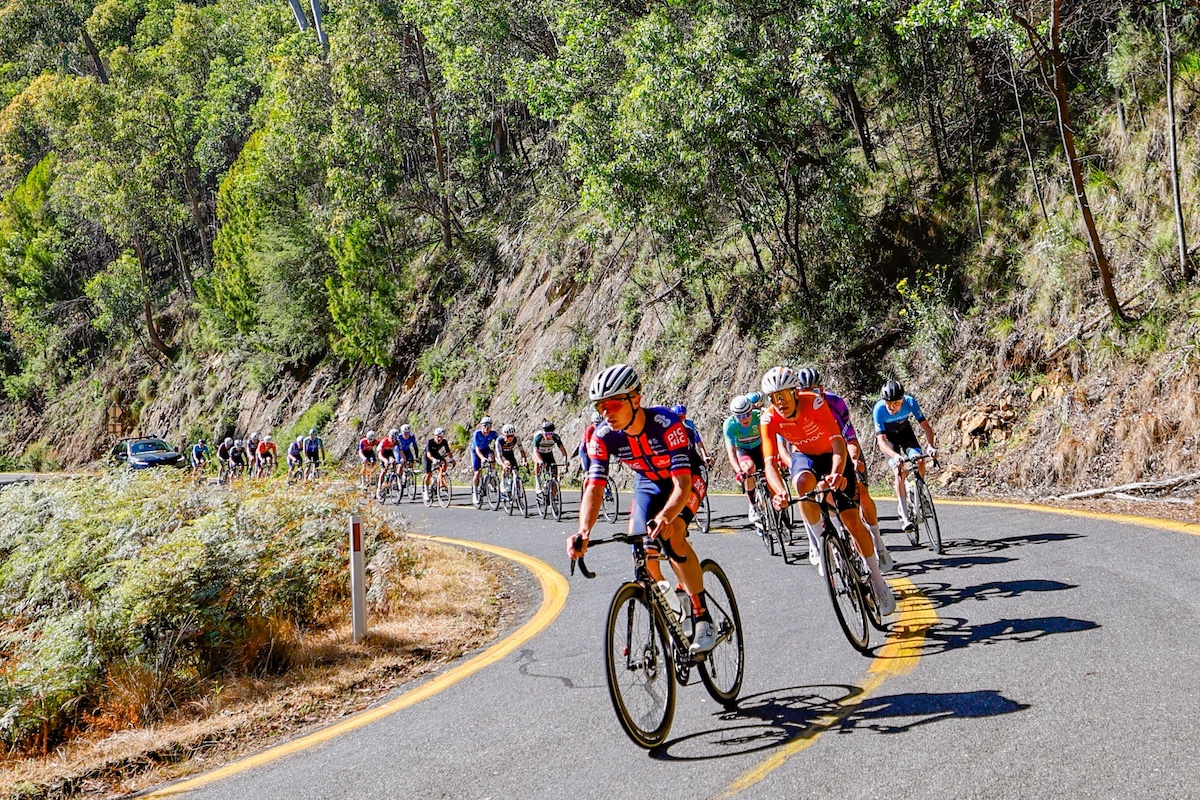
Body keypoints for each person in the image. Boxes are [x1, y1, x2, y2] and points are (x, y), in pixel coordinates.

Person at [569, 364, 716, 656]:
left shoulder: (666, 424)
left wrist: (666, 516)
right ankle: (673, 605)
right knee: (640, 546)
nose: (605, 413)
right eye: (600, 407)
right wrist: (583, 531)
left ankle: (702, 616)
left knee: (673, 534)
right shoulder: (602, 436)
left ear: (635, 398)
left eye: (611, 404)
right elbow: (595, 486)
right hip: (648, 482)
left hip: (686, 479)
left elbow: (682, 484)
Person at [759, 365, 896, 615]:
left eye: (785, 396)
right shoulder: (768, 418)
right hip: (805, 457)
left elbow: (837, 440)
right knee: (800, 485)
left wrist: (836, 472)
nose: (780, 403)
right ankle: (819, 540)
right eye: (775, 398)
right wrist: (778, 491)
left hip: (833, 456)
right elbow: (770, 463)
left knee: (852, 521)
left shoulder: (814, 402)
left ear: (795, 393)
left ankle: (878, 582)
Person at [796, 367, 891, 570]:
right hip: (817, 456)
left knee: (862, 494)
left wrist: (855, 458)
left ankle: (878, 541)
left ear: (821, 389)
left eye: (813, 390)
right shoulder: (794, 408)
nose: (808, 395)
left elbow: (849, 435)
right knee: (820, 492)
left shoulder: (834, 402)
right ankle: (833, 539)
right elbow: (788, 448)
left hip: (843, 450)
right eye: (803, 391)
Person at [873, 380, 938, 531]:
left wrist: (931, 446)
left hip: (905, 433)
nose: (891, 407)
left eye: (895, 403)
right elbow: (881, 442)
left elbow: (926, 427)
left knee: (920, 460)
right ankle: (904, 514)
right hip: (889, 440)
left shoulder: (910, 402)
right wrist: (894, 456)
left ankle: (920, 492)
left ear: (902, 399)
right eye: (888, 403)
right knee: (899, 470)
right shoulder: (878, 410)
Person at [723, 395, 763, 525]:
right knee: (748, 468)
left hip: (761, 447)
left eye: (747, 414)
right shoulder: (729, 425)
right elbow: (731, 453)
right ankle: (753, 505)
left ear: (752, 410)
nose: (744, 419)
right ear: (734, 416)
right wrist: (739, 471)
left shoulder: (760, 416)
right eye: (739, 416)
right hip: (744, 451)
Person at [532, 421, 570, 495]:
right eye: (547, 434)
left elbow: (563, 450)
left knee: (554, 474)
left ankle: (553, 496)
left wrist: (565, 460)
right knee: (537, 463)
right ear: (543, 432)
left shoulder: (555, 437)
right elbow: (535, 451)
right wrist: (540, 461)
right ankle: (538, 482)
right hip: (538, 454)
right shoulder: (538, 437)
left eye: (550, 434)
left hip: (548, 454)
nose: (548, 436)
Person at [471, 417, 499, 504]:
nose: (486, 428)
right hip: (476, 451)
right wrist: (482, 458)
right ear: (481, 426)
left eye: (489, 426)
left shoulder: (493, 434)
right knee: (477, 473)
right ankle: (475, 493)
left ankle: (492, 475)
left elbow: (498, 444)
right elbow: (477, 449)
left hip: (486, 449)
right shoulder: (477, 434)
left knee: (491, 456)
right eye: (484, 426)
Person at [495, 424, 528, 498]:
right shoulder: (499, 441)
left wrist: (524, 460)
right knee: (507, 464)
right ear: (503, 435)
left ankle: (518, 491)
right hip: (501, 454)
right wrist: (503, 465)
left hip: (510, 453)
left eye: (512, 436)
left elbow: (522, 451)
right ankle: (503, 483)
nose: (510, 438)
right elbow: (499, 456)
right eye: (508, 436)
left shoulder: (517, 438)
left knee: (516, 471)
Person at [424, 427, 455, 500]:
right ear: (434, 436)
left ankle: (439, 479)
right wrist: (433, 460)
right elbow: (428, 454)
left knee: (444, 463)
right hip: (427, 456)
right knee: (428, 474)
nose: (439, 439)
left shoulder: (444, 442)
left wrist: (452, 459)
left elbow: (448, 452)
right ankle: (426, 490)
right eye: (437, 437)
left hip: (435, 454)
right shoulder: (430, 441)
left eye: (441, 437)